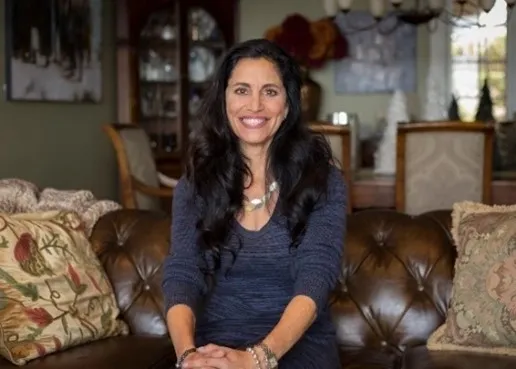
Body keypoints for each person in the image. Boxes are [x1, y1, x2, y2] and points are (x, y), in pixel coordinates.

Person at [162, 38, 347, 369]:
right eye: (242, 90)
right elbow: (183, 274)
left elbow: (315, 276)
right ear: (224, 100)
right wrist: (188, 356)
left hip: (296, 351)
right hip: (214, 350)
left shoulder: (323, 182)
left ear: (288, 105)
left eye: (270, 92)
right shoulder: (195, 186)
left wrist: (257, 359)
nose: (255, 105)